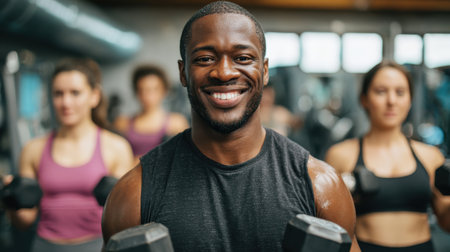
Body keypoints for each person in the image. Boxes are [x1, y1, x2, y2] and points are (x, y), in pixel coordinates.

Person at [102, 1, 360, 251]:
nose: (224, 72)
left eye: (243, 57)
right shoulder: (134, 193)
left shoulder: (321, 186)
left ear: (265, 70)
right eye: (204, 59)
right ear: (183, 73)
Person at [6, 58, 134, 252]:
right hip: (44, 246)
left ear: (94, 96)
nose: (65, 102)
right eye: (58, 94)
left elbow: (126, 221)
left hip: (98, 246)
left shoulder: (116, 147)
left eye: (75, 93)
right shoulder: (33, 149)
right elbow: (25, 220)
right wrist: (10, 199)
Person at [325, 60, 450, 252]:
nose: (391, 101)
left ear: (410, 100)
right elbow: (329, 227)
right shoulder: (341, 155)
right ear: (364, 99)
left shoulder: (430, 156)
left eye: (400, 92)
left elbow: (445, 222)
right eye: (381, 91)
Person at [114, 65, 189, 163]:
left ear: (164, 91)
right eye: (142, 90)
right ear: (136, 92)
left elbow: (185, 159)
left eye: (153, 89)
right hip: (131, 175)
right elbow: (115, 159)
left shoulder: (176, 123)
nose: (147, 96)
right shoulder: (122, 123)